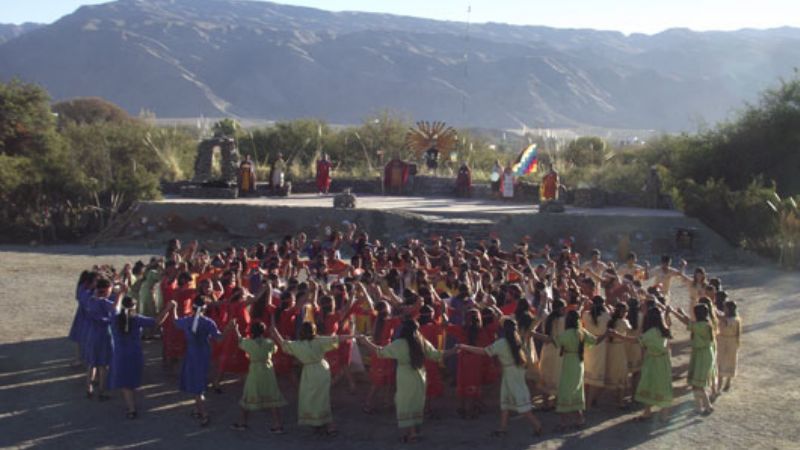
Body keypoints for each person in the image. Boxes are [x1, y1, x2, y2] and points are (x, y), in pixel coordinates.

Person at [359, 319, 450, 443]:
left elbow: (380, 352)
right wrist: (453, 351)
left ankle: (411, 434)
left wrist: (365, 342)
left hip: (405, 377)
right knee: (416, 402)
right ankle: (413, 431)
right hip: (419, 376)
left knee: (405, 403)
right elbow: (435, 355)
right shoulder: (421, 341)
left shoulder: (400, 343)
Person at [459, 318, 544, 438]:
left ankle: (537, 425)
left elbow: (484, 351)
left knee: (520, 402)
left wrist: (464, 347)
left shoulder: (502, 343)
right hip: (517, 372)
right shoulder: (518, 341)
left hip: (510, 373)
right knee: (506, 401)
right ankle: (503, 428)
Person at [270, 321, 350, 436]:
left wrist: (275, 332)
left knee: (310, 397)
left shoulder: (299, 345)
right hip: (322, 370)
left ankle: (324, 423)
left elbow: (283, 344)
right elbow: (337, 338)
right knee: (322, 397)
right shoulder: (319, 341)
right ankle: (324, 423)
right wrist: (354, 336)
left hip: (309, 372)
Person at [535, 310, 607, 430]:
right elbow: (595, 341)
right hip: (579, 364)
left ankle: (564, 421)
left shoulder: (567, 334)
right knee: (576, 390)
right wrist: (606, 334)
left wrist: (533, 334)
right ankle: (580, 419)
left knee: (564, 391)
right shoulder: (581, 333)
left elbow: (551, 341)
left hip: (568, 363)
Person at [108, 296, 173, 419]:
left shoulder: (115, 318)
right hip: (135, 353)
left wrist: (120, 293)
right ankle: (133, 401)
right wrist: (168, 308)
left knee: (125, 382)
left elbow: (114, 308)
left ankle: (131, 408)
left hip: (120, 353)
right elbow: (157, 321)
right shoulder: (137, 319)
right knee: (132, 379)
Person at [609, 306, 673, 422]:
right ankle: (659, 412)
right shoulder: (664, 329)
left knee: (650, 384)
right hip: (663, 361)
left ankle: (652, 412)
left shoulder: (651, 333)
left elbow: (635, 341)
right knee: (662, 385)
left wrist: (617, 335)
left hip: (653, 362)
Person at [174, 295, 229, 427]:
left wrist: (173, 308)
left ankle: (202, 411)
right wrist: (229, 328)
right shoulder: (208, 322)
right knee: (199, 383)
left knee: (196, 384)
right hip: (203, 354)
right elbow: (219, 338)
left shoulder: (187, 320)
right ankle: (201, 411)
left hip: (192, 353)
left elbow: (175, 321)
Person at [231, 321, 287, 433]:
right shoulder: (269, 342)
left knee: (247, 395)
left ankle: (242, 423)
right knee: (272, 397)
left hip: (255, 371)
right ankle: (278, 424)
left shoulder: (249, 343)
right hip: (268, 370)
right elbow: (275, 350)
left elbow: (240, 341)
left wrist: (236, 329)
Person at [670, 303, 716, 415]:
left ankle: (703, 406)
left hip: (701, 355)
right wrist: (682, 313)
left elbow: (687, 323)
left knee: (697, 383)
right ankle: (703, 406)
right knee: (698, 383)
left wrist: (674, 312)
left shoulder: (700, 326)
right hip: (704, 353)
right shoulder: (706, 324)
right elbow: (690, 322)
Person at [83, 278, 122, 401]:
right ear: (106, 290)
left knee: (91, 363)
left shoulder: (91, 300)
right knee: (103, 365)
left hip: (92, 334)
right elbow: (116, 310)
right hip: (104, 335)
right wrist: (120, 295)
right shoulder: (103, 302)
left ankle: (89, 387)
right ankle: (101, 391)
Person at [582, 296, 610, 408]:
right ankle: (590, 402)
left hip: (588, 343)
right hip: (600, 344)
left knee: (587, 373)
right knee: (595, 375)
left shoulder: (586, 314)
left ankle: (584, 400)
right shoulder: (606, 316)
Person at [716, 300, 741, 392]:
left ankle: (725, 383)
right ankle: (723, 383)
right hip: (727, 341)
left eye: (725, 307)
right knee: (723, 360)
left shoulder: (732, 320)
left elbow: (722, 318)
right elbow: (720, 315)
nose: (724, 309)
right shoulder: (734, 318)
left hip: (728, 342)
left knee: (727, 361)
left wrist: (712, 308)